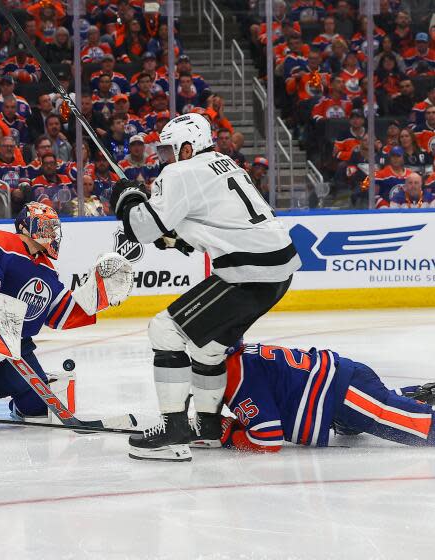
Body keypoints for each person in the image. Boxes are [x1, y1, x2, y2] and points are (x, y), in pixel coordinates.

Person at [110, 113, 301, 461]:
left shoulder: (181, 171)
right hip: (278, 268)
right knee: (206, 349)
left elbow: (142, 228)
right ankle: (209, 427)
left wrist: (127, 198)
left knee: (164, 330)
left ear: (188, 147)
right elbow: (211, 218)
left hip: (247, 271)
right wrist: (178, 237)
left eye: (168, 150)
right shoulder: (224, 164)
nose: (162, 158)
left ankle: (173, 431)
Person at [0, 202, 133, 418]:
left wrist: (98, 298)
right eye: (46, 227)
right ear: (25, 227)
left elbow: (61, 313)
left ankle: (18, 407)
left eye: (54, 228)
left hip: (11, 348)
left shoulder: (46, 269)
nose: (52, 233)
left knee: (39, 407)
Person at [214, 342, 435, 452]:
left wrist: (229, 436)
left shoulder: (236, 379)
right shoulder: (240, 357)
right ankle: (417, 394)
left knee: (421, 427)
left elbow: (267, 438)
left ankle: (405, 404)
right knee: (372, 411)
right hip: (339, 401)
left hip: (345, 396)